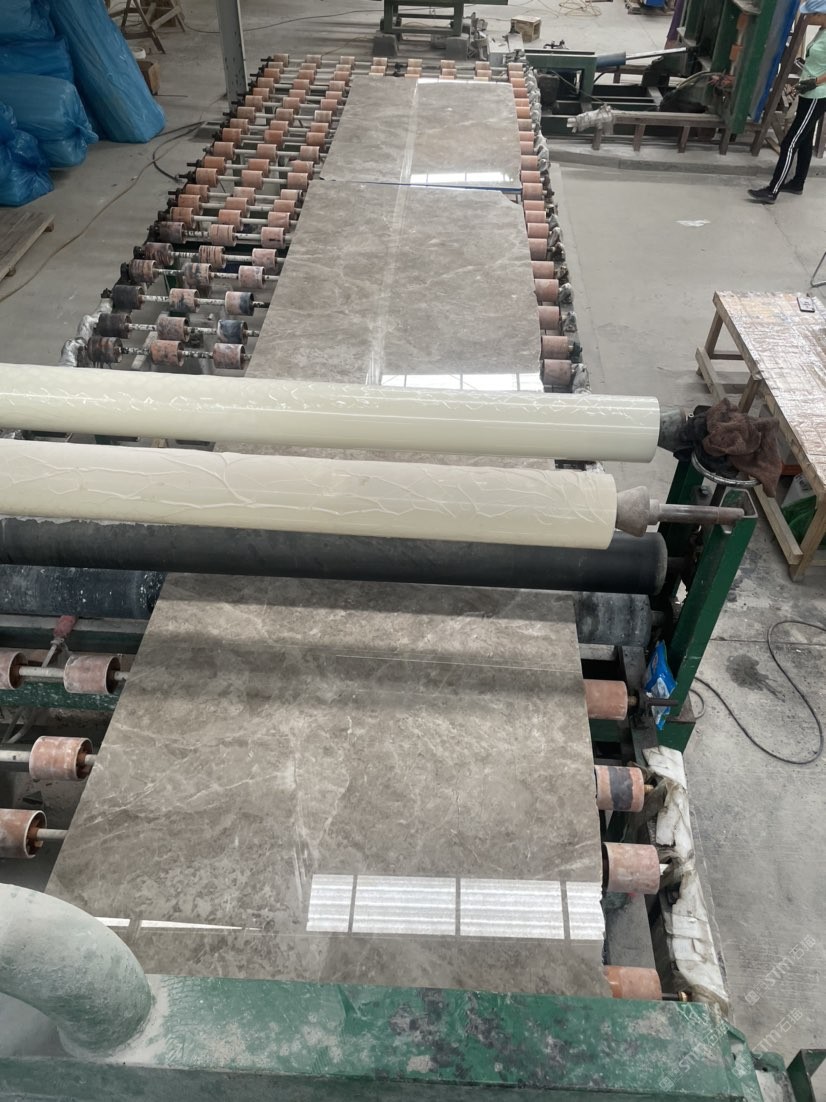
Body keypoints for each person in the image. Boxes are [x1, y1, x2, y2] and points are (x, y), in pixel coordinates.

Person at [748, 3, 826, 204]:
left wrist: (815, 82)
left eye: (813, 15)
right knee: (805, 139)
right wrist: (802, 83)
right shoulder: (822, 30)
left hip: (818, 95)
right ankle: (797, 183)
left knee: (790, 142)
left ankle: (772, 191)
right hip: (809, 91)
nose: (809, 18)